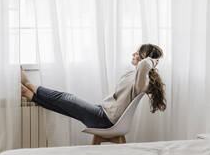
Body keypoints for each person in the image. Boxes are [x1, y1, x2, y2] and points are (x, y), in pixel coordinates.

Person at [21, 43, 166, 129]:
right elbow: (143, 66)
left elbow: (145, 65)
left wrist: (154, 60)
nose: (133, 54)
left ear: (144, 58)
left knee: (66, 98)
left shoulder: (143, 81)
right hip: (101, 111)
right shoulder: (136, 75)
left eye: (138, 52)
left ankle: (29, 85)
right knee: (64, 106)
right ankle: (29, 93)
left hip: (105, 120)